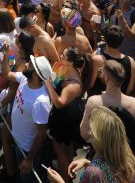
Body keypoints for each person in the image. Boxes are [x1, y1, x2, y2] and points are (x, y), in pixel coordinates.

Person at [0, 50, 53, 183]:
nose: (27, 64)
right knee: (20, 171)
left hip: (27, 148)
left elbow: (41, 134)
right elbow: (6, 74)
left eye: (31, 64)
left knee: (27, 178)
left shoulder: (40, 102)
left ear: (35, 74)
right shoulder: (24, 77)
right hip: (17, 137)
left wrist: (29, 159)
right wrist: (6, 56)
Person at [57, 107, 135, 183]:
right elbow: (110, 173)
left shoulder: (93, 173)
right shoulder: (128, 160)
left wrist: (59, 181)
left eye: (92, 131)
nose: (90, 133)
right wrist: (88, 162)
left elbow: (101, 174)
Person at [44, 47, 90, 181]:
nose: (60, 55)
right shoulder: (66, 68)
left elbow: (59, 102)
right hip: (67, 113)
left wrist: (48, 84)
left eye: (63, 55)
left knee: (59, 147)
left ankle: (65, 177)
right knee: (67, 146)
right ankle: (69, 168)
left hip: (66, 117)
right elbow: (57, 80)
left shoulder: (73, 85)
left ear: (70, 62)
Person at [89, 25, 135, 96]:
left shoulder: (98, 60)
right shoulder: (131, 61)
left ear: (105, 39)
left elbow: (90, 84)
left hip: (100, 103)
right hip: (120, 103)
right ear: (122, 40)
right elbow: (130, 88)